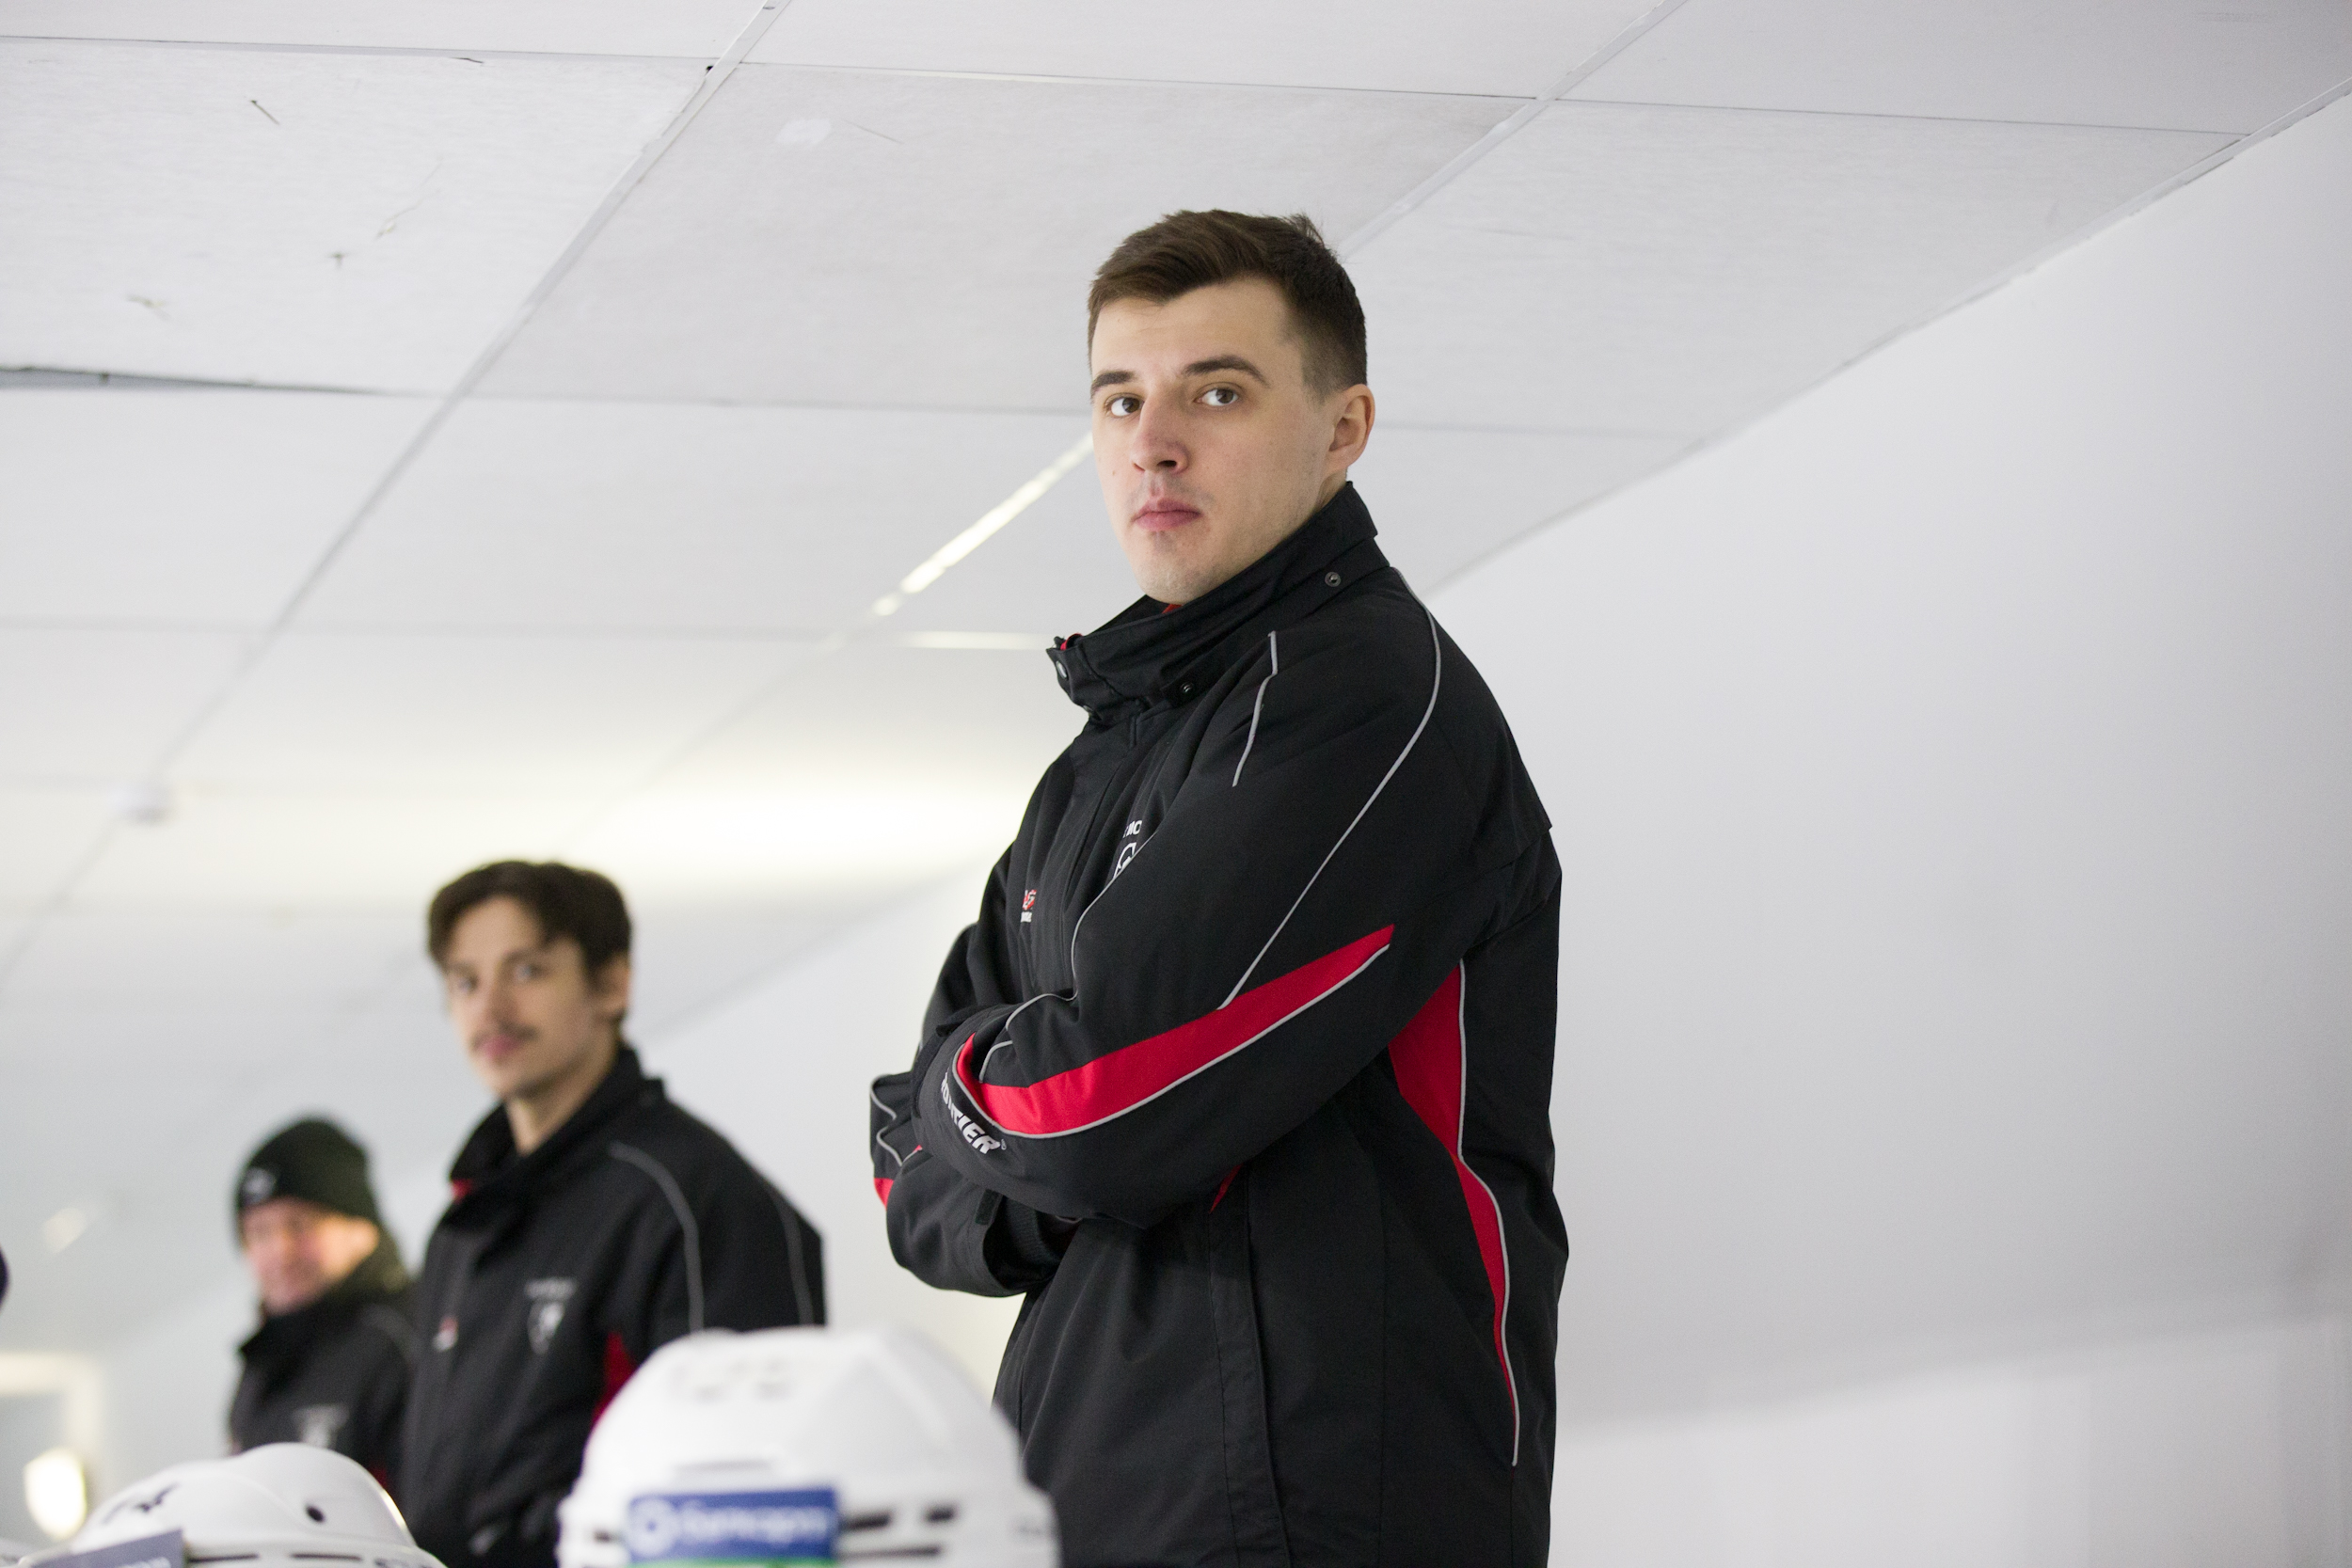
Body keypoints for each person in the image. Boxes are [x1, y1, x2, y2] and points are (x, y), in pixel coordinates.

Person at [869, 211, 1569, 1566]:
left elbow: (1093, 1103)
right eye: (1119, 398)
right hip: (1091, 1491)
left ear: (1343, 427)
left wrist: (1003, 1109)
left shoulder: (1364, 698)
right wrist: (1014, 1112)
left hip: (1307, 1507)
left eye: (1218, 392)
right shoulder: (1096, 765)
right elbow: (908, 1173)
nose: (1153, 440)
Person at [401, 861, 824, 1568]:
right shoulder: (463, 1228)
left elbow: (742, 1497)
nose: (491, 1007)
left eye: (526, 970)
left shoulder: (692, 1197)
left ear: (610, 984)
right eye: (465, 982)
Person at [229, 1117, 416, 1482]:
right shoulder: (258, 1372)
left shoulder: (410, 1334)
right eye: (259, 1233)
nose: (280, 1252)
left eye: (299, 1225)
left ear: (361, 1228)